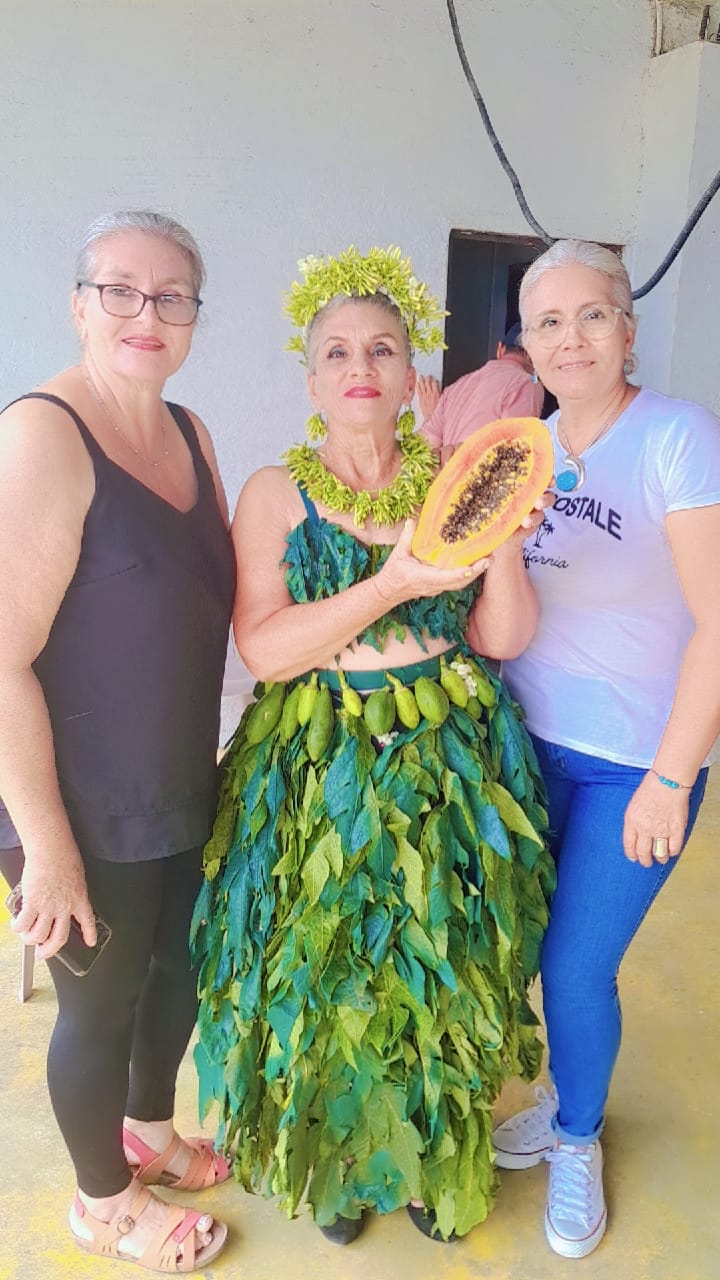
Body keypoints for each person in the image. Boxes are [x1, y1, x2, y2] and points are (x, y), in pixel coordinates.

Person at [192, 245, 556, 1245]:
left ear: (410, 376)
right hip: (315, 763)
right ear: (312, 379)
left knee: (445, 961)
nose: (362, 366)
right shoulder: (276, 493)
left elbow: (501, 637)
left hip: (447, 752)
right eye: (339, 352)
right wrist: (393, 581)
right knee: (332, 969)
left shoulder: (453, 478)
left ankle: (436, 1160)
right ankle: (347, 1164)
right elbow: (267, 649)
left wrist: (506, 542)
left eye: (384, 349)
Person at [0, 210, 235, 1272]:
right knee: (100, 1004)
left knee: (175, 972)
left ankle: (148, 1132)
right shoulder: (45, 433)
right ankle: (102, 1200)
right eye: (121, 291)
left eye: (172, 295)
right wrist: (45, 845)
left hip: (178, 775)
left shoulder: (191, 432)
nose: (148, 313)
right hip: (78, 801)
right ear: (79, 306)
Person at [493, 239, 720, 1259]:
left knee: (576, 965)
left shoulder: (677, 437)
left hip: (634, 761)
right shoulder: (526, 448)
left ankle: (578, 1136)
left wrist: (672, 775)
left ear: (627, 328)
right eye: (549, 321)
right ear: (527, 343)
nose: (571, 338)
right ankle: (562, 1097)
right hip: (525, 749)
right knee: (522, 949)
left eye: (592, 315)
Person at [416, 321, 544, 463]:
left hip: (452, 475)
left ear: (500, 349)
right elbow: (514, 455)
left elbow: (419, 451)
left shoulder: (455, 389)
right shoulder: (528, 383)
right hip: (477, 475)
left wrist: (431, 418)